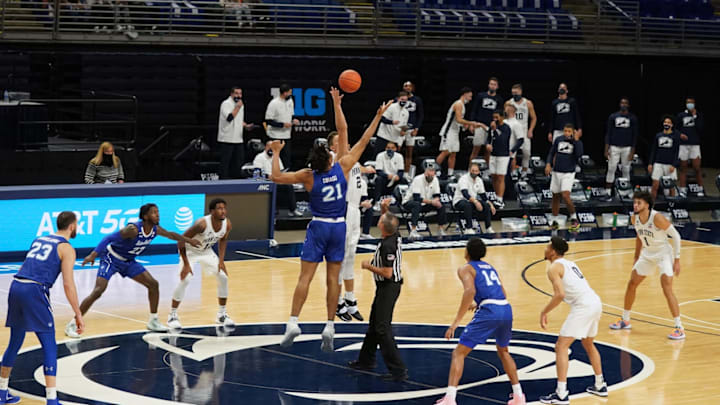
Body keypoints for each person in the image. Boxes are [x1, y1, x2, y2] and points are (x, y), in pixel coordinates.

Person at [269, 88, 392, 352]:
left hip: (319, 226)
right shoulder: (343, 167)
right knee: (332, 279)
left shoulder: (308, 175)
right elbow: (356, 135)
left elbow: (276, 178)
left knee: (305, 278)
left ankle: (292, 322)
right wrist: (375, 115)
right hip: (339, 226)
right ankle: (329, 325)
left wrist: (277, 152)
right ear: (330, 158)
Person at [64, 203, 201, 337]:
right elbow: (108, 238)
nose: (158, 215)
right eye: (154, 212)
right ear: (145, 216)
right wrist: (94, 254)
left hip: (128, 262)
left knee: (153, 284)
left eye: (158, 212)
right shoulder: (133, 229)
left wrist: (189, 240)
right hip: (111, 258)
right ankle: (73, 323)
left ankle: (153, 320)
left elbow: (171, 235)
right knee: (98, 290)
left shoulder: (155, 229)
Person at [1, 211, 84, 405]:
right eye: (77, 225)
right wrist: (78, 313)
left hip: (16, 286)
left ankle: (2, 392)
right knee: (49, 345)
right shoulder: (67, 248)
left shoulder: (39, 239)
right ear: (72, 226)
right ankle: (52, 400)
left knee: (15, 341)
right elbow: (68, 284)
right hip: (34, 291)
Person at [435, 238, 525, 405]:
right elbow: (503, 293)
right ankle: (519, 395)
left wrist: (456, 322)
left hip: (490, 312)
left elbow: (469, 291)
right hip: (506, 309)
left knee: (459, 353)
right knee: (504, 351)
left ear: (467, 252)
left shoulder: (465, 268)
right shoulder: (490, 267)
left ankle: (450, 398)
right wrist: (479, 303)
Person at [539, 236, 607, 404]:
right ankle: (600, 385)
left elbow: (560, 294)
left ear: (553, 251)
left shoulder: (554, 268)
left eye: (548, 247)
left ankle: (561, 393)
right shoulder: (571, 263)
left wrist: (544, 311)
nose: (545, 249)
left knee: (561, 346)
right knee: (588, 343)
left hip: (583, 306)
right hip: (595, 302)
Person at [609, 191, 685, 340]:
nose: (635, 205)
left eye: (639, 203)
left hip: (663, 254)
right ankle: (625, 319)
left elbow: (676, 236)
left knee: (666, 288)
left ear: (647, 205)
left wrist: (677, 259)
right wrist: (636, 256)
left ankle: (679, 327)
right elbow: (639, 236)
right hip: (647, 254)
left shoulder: (657, 218)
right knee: (632, 283)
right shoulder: (634, 218)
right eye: (635, 202)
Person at [348, 198, 407, 382]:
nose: (379, 220)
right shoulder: (393, 233)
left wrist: (368, 266)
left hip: (389, 286)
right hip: (384, 287)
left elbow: (388, 273)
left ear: (382, 227)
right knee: (374, 324)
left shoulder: (388, 245)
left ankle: (398, 370)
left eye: (380, 220)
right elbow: (388, 219)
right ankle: (366, 360)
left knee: (382, 328)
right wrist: (384, 208)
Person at [167, 198, 234, 330]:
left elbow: (223, 240)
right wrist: (186, 264)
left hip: (206, 251)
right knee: (185, 280)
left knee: (223, 277)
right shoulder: (201, 224)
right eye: (219, 208)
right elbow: (180, 240)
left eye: (224, 208)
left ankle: (221, 314)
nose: (223, 211)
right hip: (190, 252)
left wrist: (221, 261)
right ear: (212, 211)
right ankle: (172, 315)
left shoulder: (227, 224)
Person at [328, 131, 374, 322]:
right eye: (340, 142)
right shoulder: (333, 159)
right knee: (340, 258)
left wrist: (365, 170)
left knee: (350, 259)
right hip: (342, 210)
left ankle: (350, 300)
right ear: (332, 147)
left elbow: (357, 169)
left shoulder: (353, 162)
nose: (345, 143)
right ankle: (337, 302)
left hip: (354, 210)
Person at [545, 123, 583, 231]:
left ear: (573, 132)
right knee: (555, 196)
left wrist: (576, 141)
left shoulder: (577, 142)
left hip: (568, 172)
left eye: (569, 131)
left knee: (565, 195)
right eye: (565, 131)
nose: (566, 133)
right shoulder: (558, 139)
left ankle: (574, 218)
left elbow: (579, 155)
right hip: (556, 171)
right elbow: (551, 153)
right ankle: (555, 220)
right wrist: (548, 164)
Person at [437, 87, 482, 178]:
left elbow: (459, 121)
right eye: (470, 96)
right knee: (446, 152)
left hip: (455, 131)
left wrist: (465, 125)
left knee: (454, 153)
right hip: (448, 131)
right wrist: (471, 123)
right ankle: (434, 170)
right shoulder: (458, 104)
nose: (470, 99)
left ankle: (450, 173)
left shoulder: (462, 105)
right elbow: (458, 119)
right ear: (465, 94)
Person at [253, 141, 302, 216]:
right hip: (264, 182)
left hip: (276, 180)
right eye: (270, 147)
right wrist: (268, 176)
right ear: (266, 147)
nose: (271, 150)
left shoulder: (276, 156)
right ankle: (273, 209)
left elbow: (282, 170)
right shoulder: (259, 157)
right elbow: (257, 173)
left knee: (289, 186)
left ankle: (292, 210)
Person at [486, 109, 523, 209]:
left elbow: (502, 138)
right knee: (493, 176)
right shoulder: (492, 126)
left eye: (497, 117)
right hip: (493, 155)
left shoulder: (506, 128)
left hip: (503, 155)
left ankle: (500, 199)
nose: (495, 119)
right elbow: (488, 137)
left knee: (500, 177)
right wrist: (487, 144)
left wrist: (495, 129)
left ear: (502, 117)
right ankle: (496, 194)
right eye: (494, 117)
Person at [402, 163, 447, 240]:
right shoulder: (417, 179)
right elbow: (416, 198)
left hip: (426, 203)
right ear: (425, 173)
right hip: (409, 202)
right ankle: (413, 231)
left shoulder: (435, 179)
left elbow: (437, 195)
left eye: (432, 174)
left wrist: (436, 201)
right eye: (429, 174)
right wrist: (432, 202)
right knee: (417, 204)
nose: (430, 176)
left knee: (441, 205)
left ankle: (440, 229)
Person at [218, 86, 254, 179]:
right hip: (227, 138)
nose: (239, 95)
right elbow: (229, 118)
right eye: (236, 93)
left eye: (240, 93)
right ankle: (223, 183)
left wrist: (246, 126)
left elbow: (238, 120)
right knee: (225, 163)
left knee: (238, 162)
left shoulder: (240, 105)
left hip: (238, 139)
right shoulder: (226, 104)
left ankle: (237, 182)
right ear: (232, 94)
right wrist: (237, 107)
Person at [604, 97, 638, 193]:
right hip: (614, 147)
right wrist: (606, 149)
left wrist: (632, 151)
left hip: (627, 148)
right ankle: (608, 191)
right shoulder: (613, 117)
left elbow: (635, 135)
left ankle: (625, 192)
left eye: (625, 103)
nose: (623, 104)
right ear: (619, 104)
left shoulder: (632, 118)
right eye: (622, 103)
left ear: (628, 105)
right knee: (611, 168)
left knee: (626, 169)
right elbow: (608, 133)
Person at [648, 116, 685, 200]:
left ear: (672, 125)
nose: (666, 124)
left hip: (670, 164)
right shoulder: (658, 136)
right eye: (665, 122)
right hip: (658, 163)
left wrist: (674, 165)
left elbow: (677, 152)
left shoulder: (675, 137)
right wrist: (650, 163)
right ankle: (651, 206)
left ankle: (672, 206)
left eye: (668, 122)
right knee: (655, 185)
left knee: (671, 186)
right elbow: (654, 150)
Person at [452, 162, 496, 234]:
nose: (474, 172)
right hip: (459, 201)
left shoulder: (479, 180)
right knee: (467, 205)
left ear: (478, 172)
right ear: (469, 170)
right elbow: (465, 194)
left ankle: (488, 227)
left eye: (476, 171)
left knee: (486, 205)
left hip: (472, 201)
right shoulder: (463, 179)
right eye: (473, 171)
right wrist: (476, 202)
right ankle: (468, 228)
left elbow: (483, 196)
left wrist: (490, 204)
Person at [265, 83, 300, 169]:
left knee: (286, 159)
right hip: (275, 136)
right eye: (289, 92)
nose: (291, 94)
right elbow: (268, 121)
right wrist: (282, 125)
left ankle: (286, 178)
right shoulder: (274, 103)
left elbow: (291, 115)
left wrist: (293, 120)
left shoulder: (290, 101)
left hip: (286, 136)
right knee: (275, 158)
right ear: (284, 93)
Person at [505, 83, 537, 176]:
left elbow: (534, 118)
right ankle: (513, 170)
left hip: (523, 130)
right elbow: (504, 117)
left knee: (526, 152)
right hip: (512, 130)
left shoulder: (527, 103)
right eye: (513, 93)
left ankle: (524, 170)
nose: (515, 94)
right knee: (512, 152)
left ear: (521, 92)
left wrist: (531, 130)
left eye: (516, 92)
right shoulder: (508, 103)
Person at [470, 77, 503, 163]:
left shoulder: (499, 99)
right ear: (488, 85)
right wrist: (472, 124)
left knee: (488, 150)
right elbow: (474, 110)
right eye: (491, 84)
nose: (492, 86)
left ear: (497, 87)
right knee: (476, 148)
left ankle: (486, 170)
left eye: (494, 85)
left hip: (491, 127)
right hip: (479, 125)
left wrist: (497, 124)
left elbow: (500, 114)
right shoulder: (481, 96)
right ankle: (470, 169)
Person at [676, 96, 705, 197]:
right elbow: (677, 129)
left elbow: (700, 129)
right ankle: (682, 189)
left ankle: (700, 189)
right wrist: (680, 135)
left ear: (694, 104)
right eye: (688, 103)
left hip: (695, 145)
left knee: (697, 167)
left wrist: (694, 117)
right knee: (683, 168)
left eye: (691, 103)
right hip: (683, 145)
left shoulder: (699, 115)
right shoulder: (681, 115)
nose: (689, 105)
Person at [375, 91, 410, 157]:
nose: (404, 101)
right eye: (402, 99)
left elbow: (404, 127)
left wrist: (400, 142)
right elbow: (382, 118)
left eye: (406, 100)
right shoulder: (391, 107)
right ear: (398, 99)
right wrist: (392, 122)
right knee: (378, 157)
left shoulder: (406, 112)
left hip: (395, 140)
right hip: (384, 137)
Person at [374, 141, 405, 208]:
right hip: (384, 177)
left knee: (403, 180)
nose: (390, 149)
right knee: (378, 179)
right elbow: (378, 171)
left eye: (392, 148)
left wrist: (398, 176)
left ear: (395, 149)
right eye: (388, 147)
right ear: (385, 148)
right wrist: (387, 176)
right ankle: (377, 201)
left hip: (395, 178)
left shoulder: (399, 156)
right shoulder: (380, 156)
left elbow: (401, 171)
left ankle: (403, 202)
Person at [402, 81, 424, 173]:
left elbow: (420, 115)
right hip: (400, 129)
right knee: (397, 150)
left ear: (412, 88)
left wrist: (416, 128)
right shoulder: (399, 99)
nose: (407, 88)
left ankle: (407, 173)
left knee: (409, 152)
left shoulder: (417, 100)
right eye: (405, 86)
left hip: (411, 130)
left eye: (409, 86)